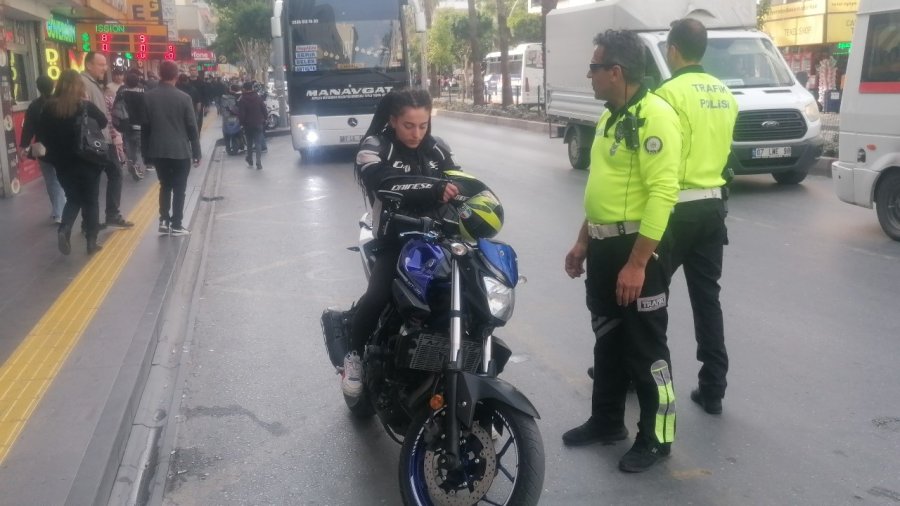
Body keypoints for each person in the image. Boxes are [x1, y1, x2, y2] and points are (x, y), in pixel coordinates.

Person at [562, 29, 681, 473]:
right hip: (604, 246)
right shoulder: (613, 117)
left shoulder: (655, 116)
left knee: (647, 350)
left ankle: (657, 438)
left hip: (639, 251)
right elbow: (603, 191)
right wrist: (582, 240)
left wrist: (637, 263)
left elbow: (663, 194)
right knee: (608, 340)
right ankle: (607, 420)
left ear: (616, 72)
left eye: (594, 68)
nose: (589, 76)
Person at [342, 88, 460, 398]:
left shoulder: (437, 149)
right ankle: (352, 357)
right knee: (378, 295)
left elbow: (460, 182)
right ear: (394, 120)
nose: (417, 133)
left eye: (423, 125)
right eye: (409, 125)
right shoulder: (375, 147)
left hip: (439, 241)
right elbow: (382, 182)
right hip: (394, 241)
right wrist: (435, 188)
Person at [653, 18, 738, 416]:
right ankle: (714, 388)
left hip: (675, 210)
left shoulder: (668, 94)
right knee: (708, 300)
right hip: (712, 209)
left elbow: (661, 158)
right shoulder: (725, 95)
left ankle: (637, 373)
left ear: (673, 50)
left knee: (650, 299)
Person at [37, 70, 108, 255]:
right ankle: (91, 242)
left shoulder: (48, 108)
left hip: (62, 163)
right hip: (88, 160)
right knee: (91, 201)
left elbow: (42, 136)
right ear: (79, 87)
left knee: (74, 198)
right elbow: (103, 121)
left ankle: (65, 228)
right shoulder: (85, 106)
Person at [144, 60, 202, 236]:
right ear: (177, 76)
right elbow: (192, 127)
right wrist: (197, 152)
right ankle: (176, 224)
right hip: (180, 151)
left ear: (160, 74)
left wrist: (145, 154)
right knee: (179, 188)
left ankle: (163, 220)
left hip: (158, 150)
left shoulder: (148, 97)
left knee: (165, 185)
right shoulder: (184, 98)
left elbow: (145, 128)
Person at [81, 52, 134, 229]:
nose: (105, 68)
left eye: (105, 64)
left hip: (104, 140)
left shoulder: (96, 84)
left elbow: (107, 116)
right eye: (101, 64)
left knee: (114, 174)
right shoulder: (84, 84)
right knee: (94, 181)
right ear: (89, 65)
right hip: (94, 142)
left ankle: (106, 215)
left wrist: (114, 136)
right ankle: (91, 221)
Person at [19, 74, 65, 224]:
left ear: (38, 88)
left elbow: (28, 128)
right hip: (60, 146)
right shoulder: (60, 103)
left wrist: (23, 146)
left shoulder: (34, 106)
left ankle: (58, 210)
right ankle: (60, 211)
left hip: (41, 148)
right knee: (59, 179)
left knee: (51, 180)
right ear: (53, 86)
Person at [116, 70, 150, 182]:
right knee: (141, 148)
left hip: (126, 124)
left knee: (130, 147)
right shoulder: (143, 90)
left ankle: (132, 163)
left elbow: (116, 106)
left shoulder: (121, 91)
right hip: (140, 125)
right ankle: (140, 166)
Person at [237, 81, 266, 170]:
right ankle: (258, 162)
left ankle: (250, 159)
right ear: (252, 88)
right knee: (258, 143)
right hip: (258, 123)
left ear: (244, 89)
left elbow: (242, 114)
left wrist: (241, 123)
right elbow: (263, 108)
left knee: (249, 143)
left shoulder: (242, 99)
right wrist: (265, 118)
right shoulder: (258, 97)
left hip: (248, 125)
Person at [220, 83, 244, 155]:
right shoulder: (237, 97)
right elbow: (239, 108)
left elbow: (222, 109)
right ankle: (241, 145)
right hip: (235, 117)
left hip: (226, 118)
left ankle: (228, 149)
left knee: (226, 134)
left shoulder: (223, 98)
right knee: (238, 132)